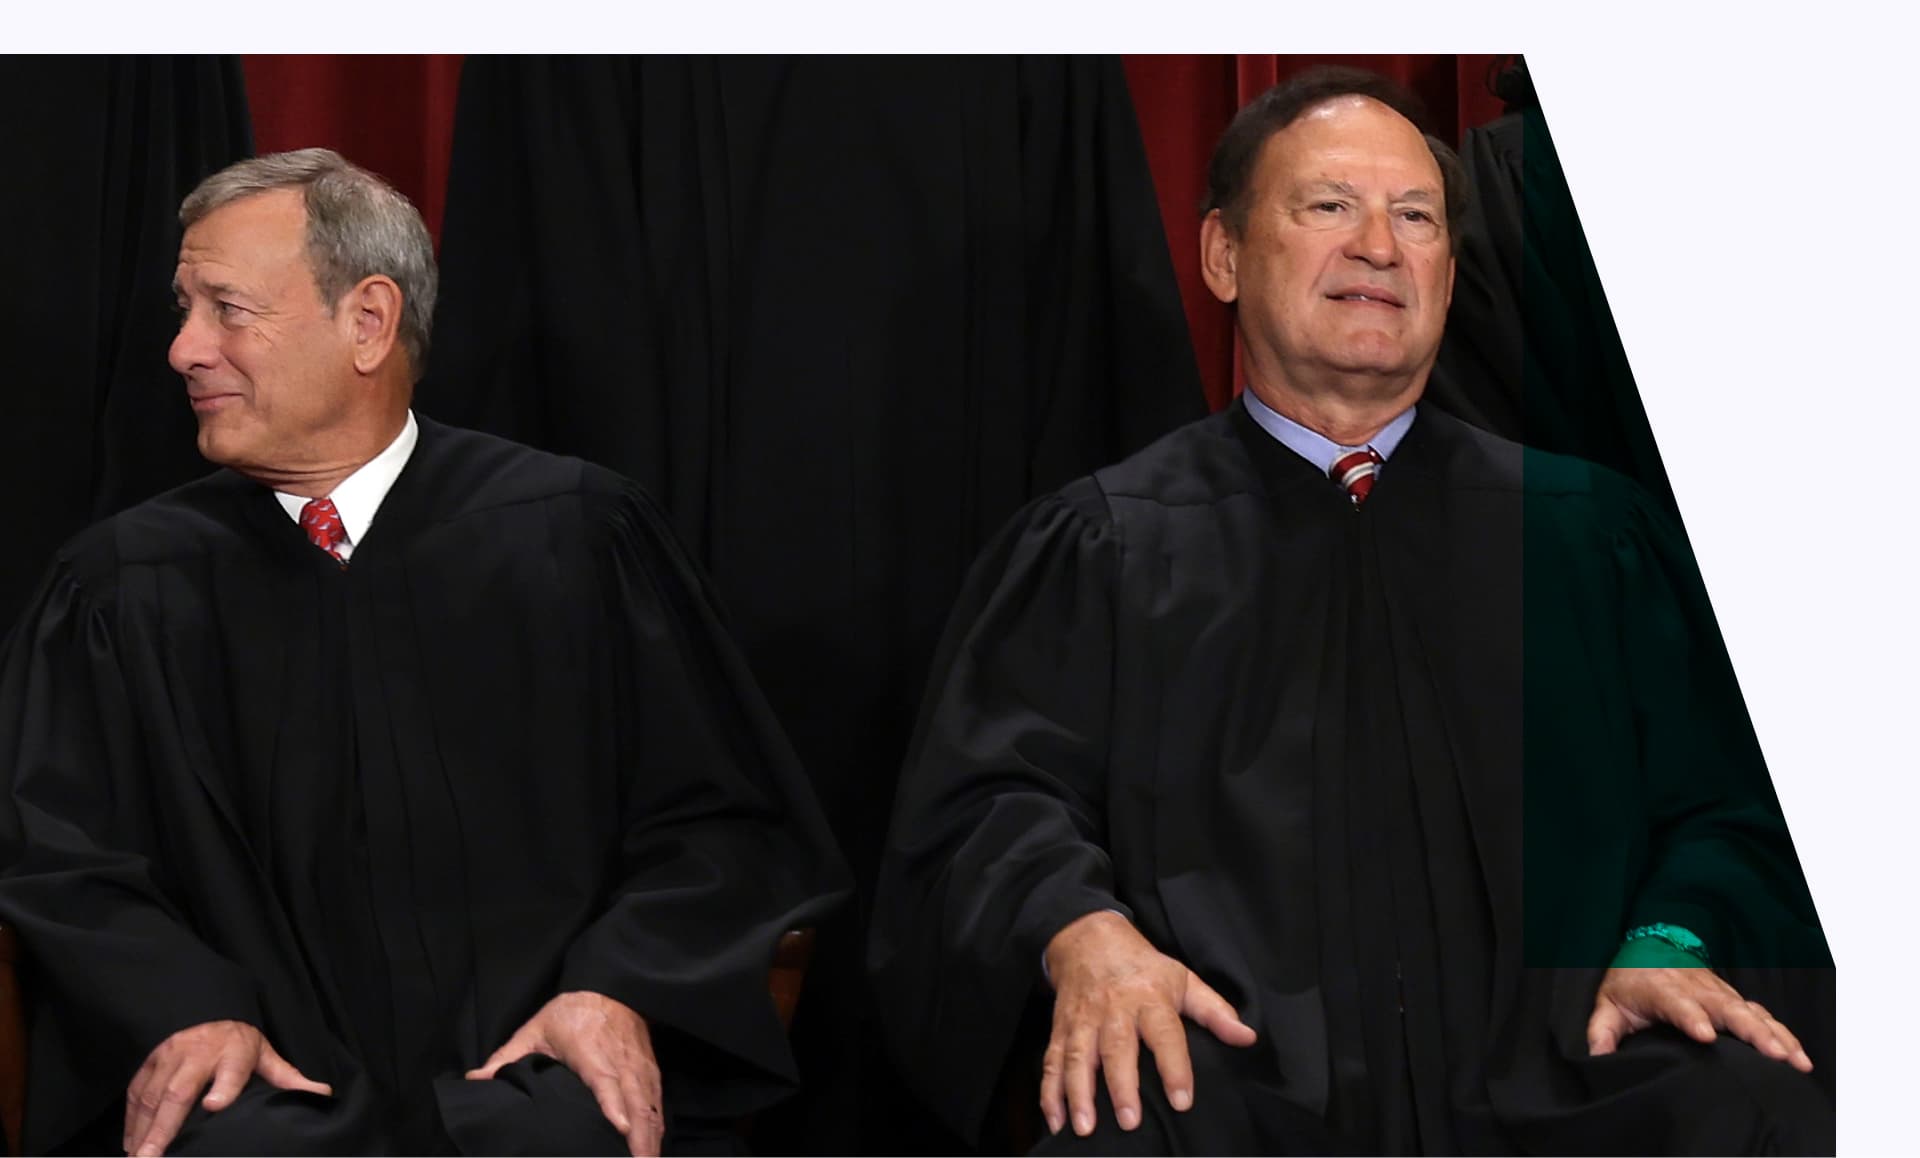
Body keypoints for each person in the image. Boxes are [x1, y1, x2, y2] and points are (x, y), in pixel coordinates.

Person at [869, 68, 1833, 1155]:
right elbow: (988, 807)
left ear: (1449, 272)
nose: (1379, 245)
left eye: (1415, 217)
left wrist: (1671, 937)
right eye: (1329, 206)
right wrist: (1084, 933)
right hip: (1237, 1094)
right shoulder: (1106, 548)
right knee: (1129, 1128)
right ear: (1223, 255)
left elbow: (1731, 807)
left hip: (1574, 1077)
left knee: (1754, 1113)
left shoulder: (1587, 537)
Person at [0, 149, 847, 1156]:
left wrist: (615, 990)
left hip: (538, 1082)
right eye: (183, 310)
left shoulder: (577, 538)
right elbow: (56, 856)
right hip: (256, 1096)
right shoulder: (123, 586)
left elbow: (720, 825)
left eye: (227, 308)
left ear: (368, 321)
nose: (185, 348)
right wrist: (180, 1006)